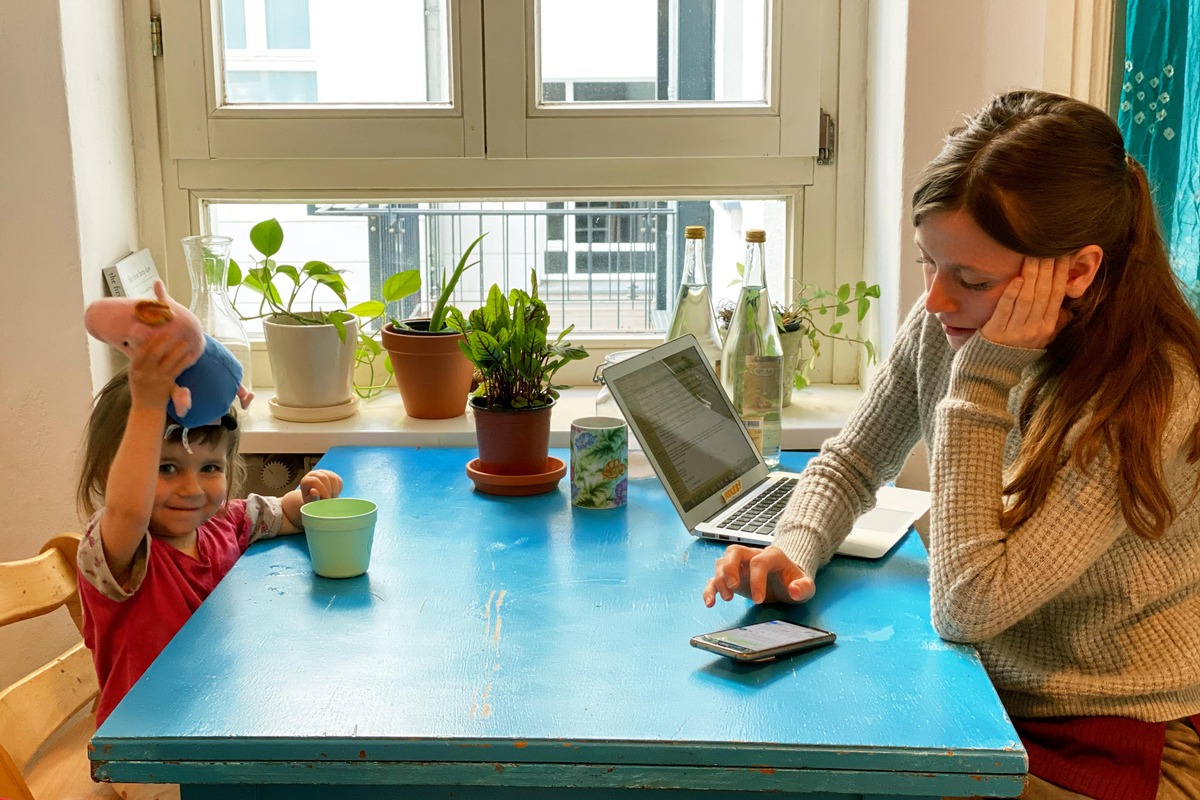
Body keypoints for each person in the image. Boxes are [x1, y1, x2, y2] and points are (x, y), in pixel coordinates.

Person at [702, 89, 1200, 800]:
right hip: (986, 695)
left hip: (1115, 738)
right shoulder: (950, 314)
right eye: (926, 263)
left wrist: (981, 383)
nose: (936, 298)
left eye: (971, 278)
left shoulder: (1152, 396)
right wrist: (795, 546)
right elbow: (852, 459)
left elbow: (969, 605)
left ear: (1079, 271)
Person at [75, 328, 343, 730]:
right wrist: (147, 404)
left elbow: (286, 516)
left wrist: (308, 497)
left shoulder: (225, 522)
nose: (191, 488)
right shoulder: (120, 553)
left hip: (224, 712)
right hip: (148, 745)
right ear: (110, 475)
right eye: (165, 468)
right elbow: (128, 510)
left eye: (210, 468)